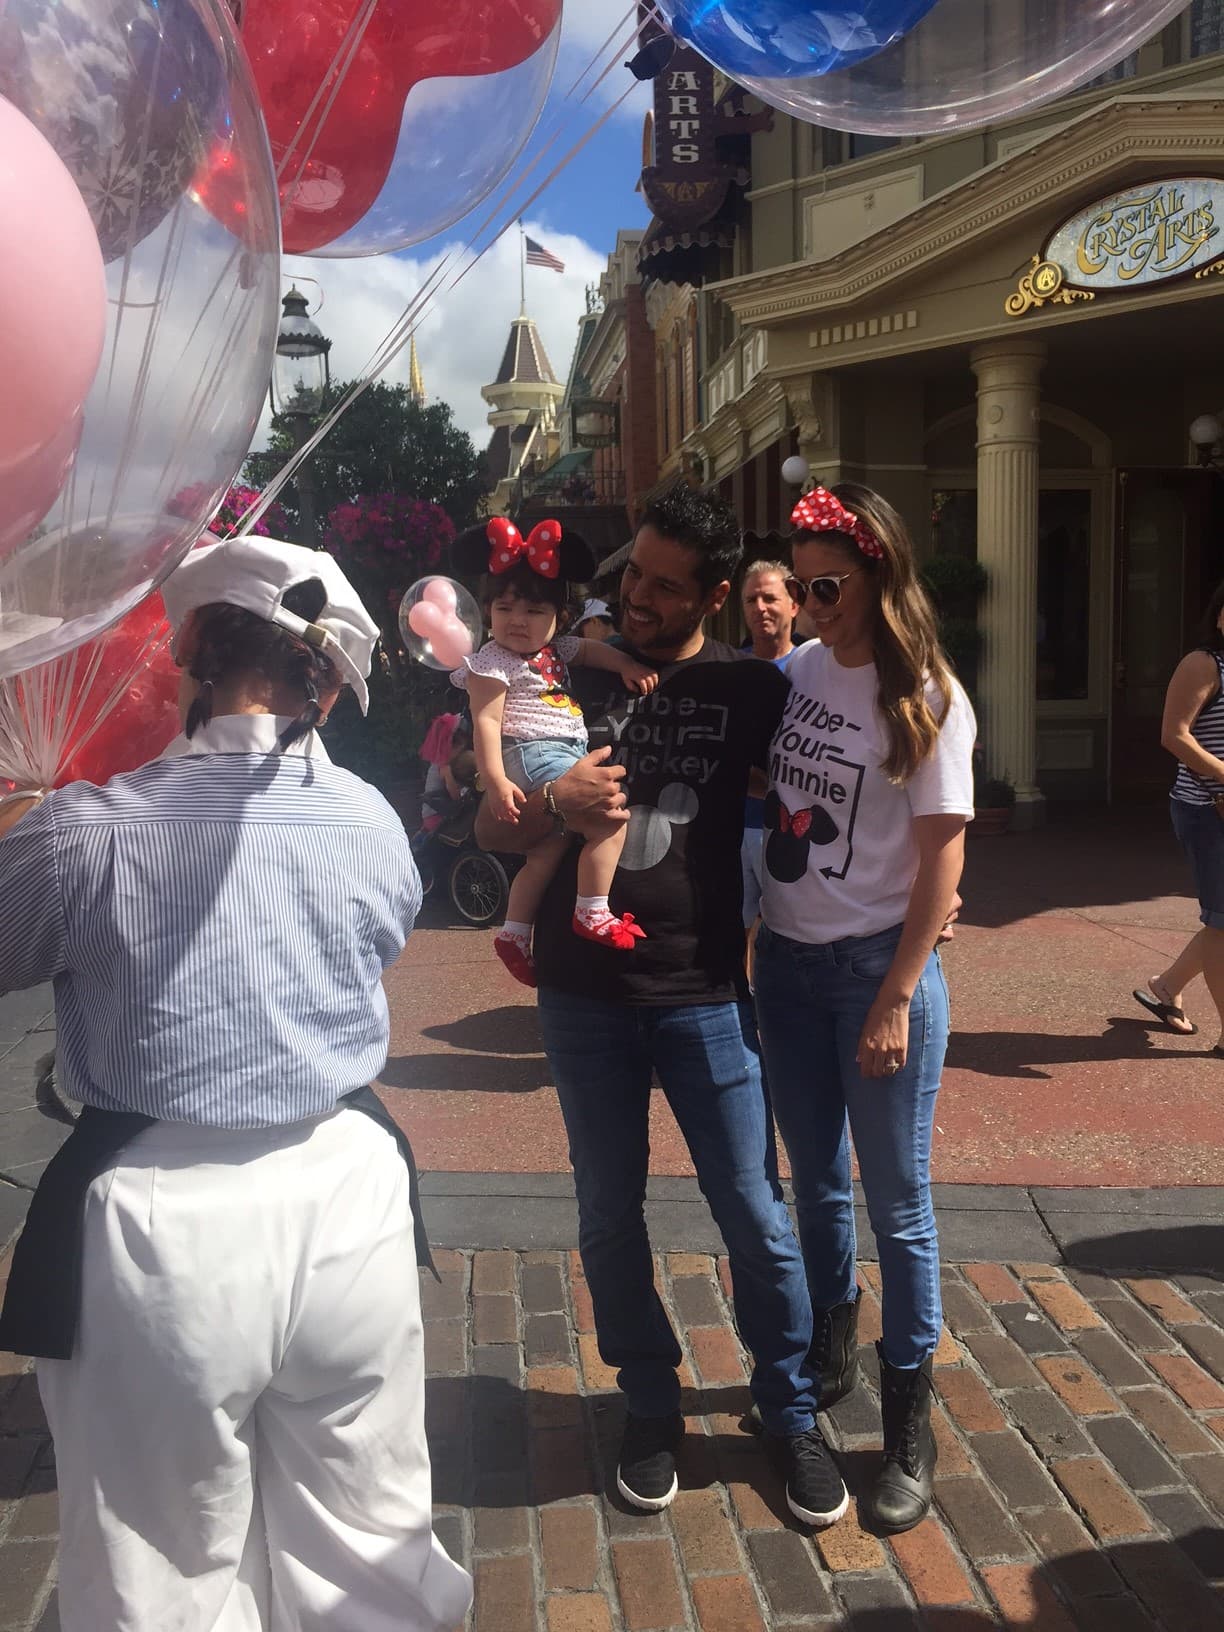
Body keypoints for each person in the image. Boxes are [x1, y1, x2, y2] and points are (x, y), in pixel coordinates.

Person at [0, 536, 472, 1632]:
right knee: (372, 1554)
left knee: (163, 1572)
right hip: (347, 1196)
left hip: (161, 1230)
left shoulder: (88, 832)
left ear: (197, 649)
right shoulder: (368, 820)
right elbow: (384, 932)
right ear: (321, 676)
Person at [476, 483, 846, 1531]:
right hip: (583, 997)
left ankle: (788, 1407)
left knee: (755, 1216)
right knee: (607, 1216)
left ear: (715, 596)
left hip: (703, 994)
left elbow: (846, 765)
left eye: (665, 585)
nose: (638, 596)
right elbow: (489, 826)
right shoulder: (557, 669)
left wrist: (920, 878)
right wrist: (554, 804)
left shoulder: (750, 689)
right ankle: (649, 1403)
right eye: (633, 573)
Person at [753, 483, 975, 1536]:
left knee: (899, 1205)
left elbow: (943, 876)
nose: (809, 603)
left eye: (825, 584)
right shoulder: (792, 674)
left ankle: (909, 1420)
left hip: (875, 977)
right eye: (797, 586)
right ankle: (832, 1351)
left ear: (877, 570)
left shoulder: (926, 694)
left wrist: (895, 998)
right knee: (818, 1188)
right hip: (789, 974)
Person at [451, 516, 657, 986]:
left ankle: (515, 933)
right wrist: (497, 780)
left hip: (554, 752)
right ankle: (593, 910)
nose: (518, 621)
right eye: (505, 608)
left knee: (545, 850)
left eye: (533, 611)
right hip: (532, 753)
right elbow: (486, 721)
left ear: (558, 618)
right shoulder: (492, 661)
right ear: (488, 611)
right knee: (609, 815)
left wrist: (625, 662)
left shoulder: (555, 650)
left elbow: (590, 650)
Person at [1134, 579, 1224, 1047]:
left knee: (1220, 922)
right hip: (1207, 810)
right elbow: (1175, 734)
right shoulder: (1204, 664)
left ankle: (1167, 986)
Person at [740, 561, 803, 933]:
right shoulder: (730, 669)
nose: (759, 607)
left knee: (786, 931)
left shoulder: (812, 669)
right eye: (751, 599)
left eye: (769, 597)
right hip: (733, 824)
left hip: (787, 828)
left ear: (794, 604)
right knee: (734, 930)